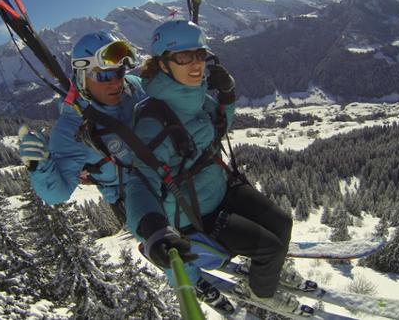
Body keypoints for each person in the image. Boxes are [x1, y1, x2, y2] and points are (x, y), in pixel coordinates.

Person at [125, 20, 297, 313]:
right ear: (163, 64)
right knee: (269, 246)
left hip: (219, 187)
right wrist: (152, 230)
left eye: (200, 55)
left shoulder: (193, 92)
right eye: (183, 57)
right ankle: (261, 294)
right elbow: (140, 181)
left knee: (282, 223)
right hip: (196, 213)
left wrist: (227, 96)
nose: (196, 65)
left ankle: (266, 271)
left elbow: (216, 130)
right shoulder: (154, 121)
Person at [19, 31, 146, 220]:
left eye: (119, 72)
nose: (115, 83)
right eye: (103, 77)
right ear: (81, 77)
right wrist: (40, 166)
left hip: (170, 178)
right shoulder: (71, 129)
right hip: (135, 204)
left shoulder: (133, 87)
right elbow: (56, 195)